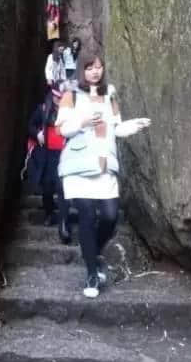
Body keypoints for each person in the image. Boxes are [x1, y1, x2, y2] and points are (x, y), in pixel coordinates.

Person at [57, 52, 150, 297]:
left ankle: (93, 252)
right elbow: (63, 129)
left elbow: (116, 128)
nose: (95, 71)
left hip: (104, 165)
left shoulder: (110, 95)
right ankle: (91, 275)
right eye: (89, 67)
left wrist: (133, 126)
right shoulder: (71, 95)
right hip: (79, 166)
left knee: (109, 216)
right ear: (82, 70)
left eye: (99, 67)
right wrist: (83, 121)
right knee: (86, 215)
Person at [27, 87, 71, 238]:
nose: (58, 101)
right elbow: (30, 125)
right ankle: (49, 212)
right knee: (47, 187)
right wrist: (38, 133)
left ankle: (64, 221)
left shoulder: (71, 112)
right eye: (56, 97)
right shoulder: (42, 109)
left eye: (61, 98)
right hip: (47, 155)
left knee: (62, 187)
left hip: (64, 154)